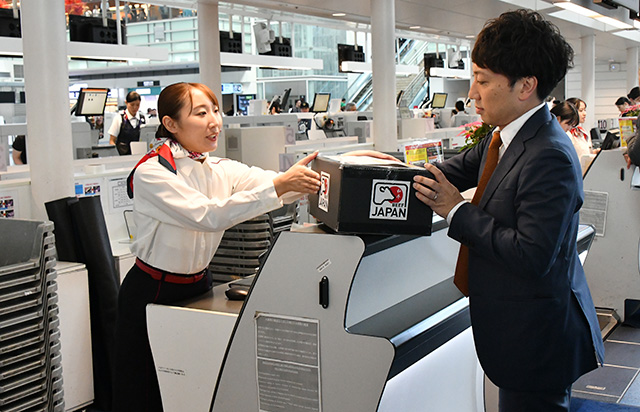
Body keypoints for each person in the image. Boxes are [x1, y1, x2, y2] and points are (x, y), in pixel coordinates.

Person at [113, 82, 395, 410]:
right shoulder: (153, 173)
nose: (214, 121)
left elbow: (276, 184)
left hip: (201, 285)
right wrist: (280, 185)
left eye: (215, 111)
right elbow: (207, 215)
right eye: (201, 113)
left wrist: (347, 162)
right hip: (153, 290)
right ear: (171, 124)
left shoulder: (218, 167)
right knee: (144, 389)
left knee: (194, 383)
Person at [412, 10, 604, 412]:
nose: (472, 93)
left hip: (538, 337)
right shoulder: (504, 137)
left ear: (525, 86)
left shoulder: (548, 154)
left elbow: (531, 254)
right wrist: (383, 175)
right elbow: (449, 170)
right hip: (516, 330)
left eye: (482, 80)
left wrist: (455, 210)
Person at [109, 91, 146, 155]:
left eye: (137, 105)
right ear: (126, 103)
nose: (135, 107)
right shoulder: (119, 118)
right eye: (132, 105)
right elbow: (112, 140)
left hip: (141, 155)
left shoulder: (144, 119)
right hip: (122, 156)